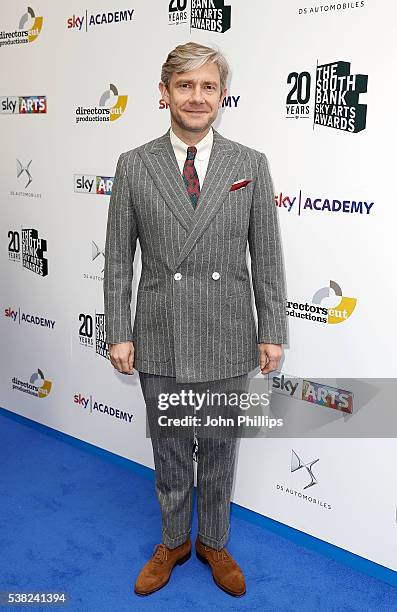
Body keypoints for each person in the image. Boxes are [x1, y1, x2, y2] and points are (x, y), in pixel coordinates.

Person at [103, 41, 288, 597]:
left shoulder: (249, 163)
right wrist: (119, 330)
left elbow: (267, 254)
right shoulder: (133, 164)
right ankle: (173, 540)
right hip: (160, 330)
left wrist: (272, 329)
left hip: (230, 330)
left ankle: (213, 540)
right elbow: (117, 258)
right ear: (164, 94)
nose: (196, 97)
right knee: (170, 445)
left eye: (208, 86)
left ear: (222, 95)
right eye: (185, 86)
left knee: (221, 444)